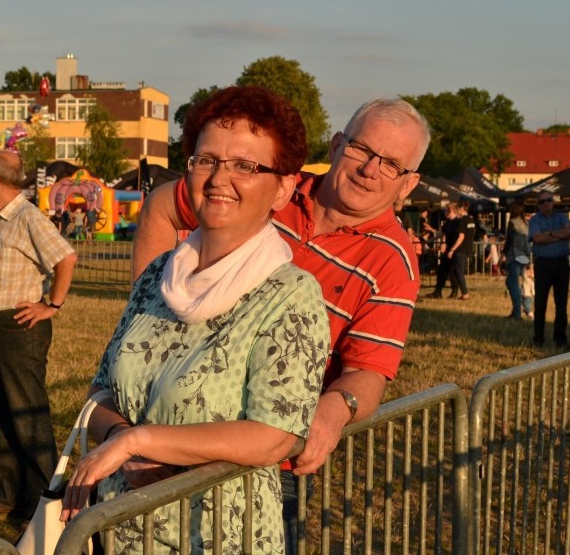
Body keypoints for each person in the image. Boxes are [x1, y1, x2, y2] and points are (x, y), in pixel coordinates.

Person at [60, 86, 330, 553]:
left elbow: (275, 436)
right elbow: (101, 391)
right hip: (126, 534)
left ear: (283, 188)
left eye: (246, 165)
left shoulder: (290, 297)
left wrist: (141, 440)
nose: (219, 178)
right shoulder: (155, 280)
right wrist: (122, 437)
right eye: (206, 160)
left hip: (220, 538)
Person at [131, 97, 429, 504]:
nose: (370, 170)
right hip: (163, 423)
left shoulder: (393, 262)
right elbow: (161, 207)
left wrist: (335, 408)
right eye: (361, 149)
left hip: (257, 456)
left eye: (392, 164)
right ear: (337, 144)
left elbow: (369, 370)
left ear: (409, 183)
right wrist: (146, 319)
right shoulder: (264, 184)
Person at [0, 150, 78, 523]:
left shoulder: (27, 216)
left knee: (29, 416)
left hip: (20, 328)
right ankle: (8, 499)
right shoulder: (4, 218)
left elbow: (66, 257)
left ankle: (50, 507)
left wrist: (53, 304)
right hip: (0, 326)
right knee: (4, 415)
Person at [528, 191, 570, 349]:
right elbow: (537, 238)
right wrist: (559, 235)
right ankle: (538, 338)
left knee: (561, 303)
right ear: (538, 205)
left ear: (553, 201)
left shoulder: (562, 217)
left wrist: (549, 234)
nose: (546, 204)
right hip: (543, 265)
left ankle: (560, 338)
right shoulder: (534, 220)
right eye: (542, 202)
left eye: (549, 200)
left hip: (561, 264)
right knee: (540, 303)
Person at [502, 201, 530, 319]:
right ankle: (518, 308)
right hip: (523, 257)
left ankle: (517, 312)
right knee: (510, 282)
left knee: (513, 284)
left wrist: (503, 254)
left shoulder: (512, 223)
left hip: (514, 256)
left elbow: (509, 240)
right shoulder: (525, 223)